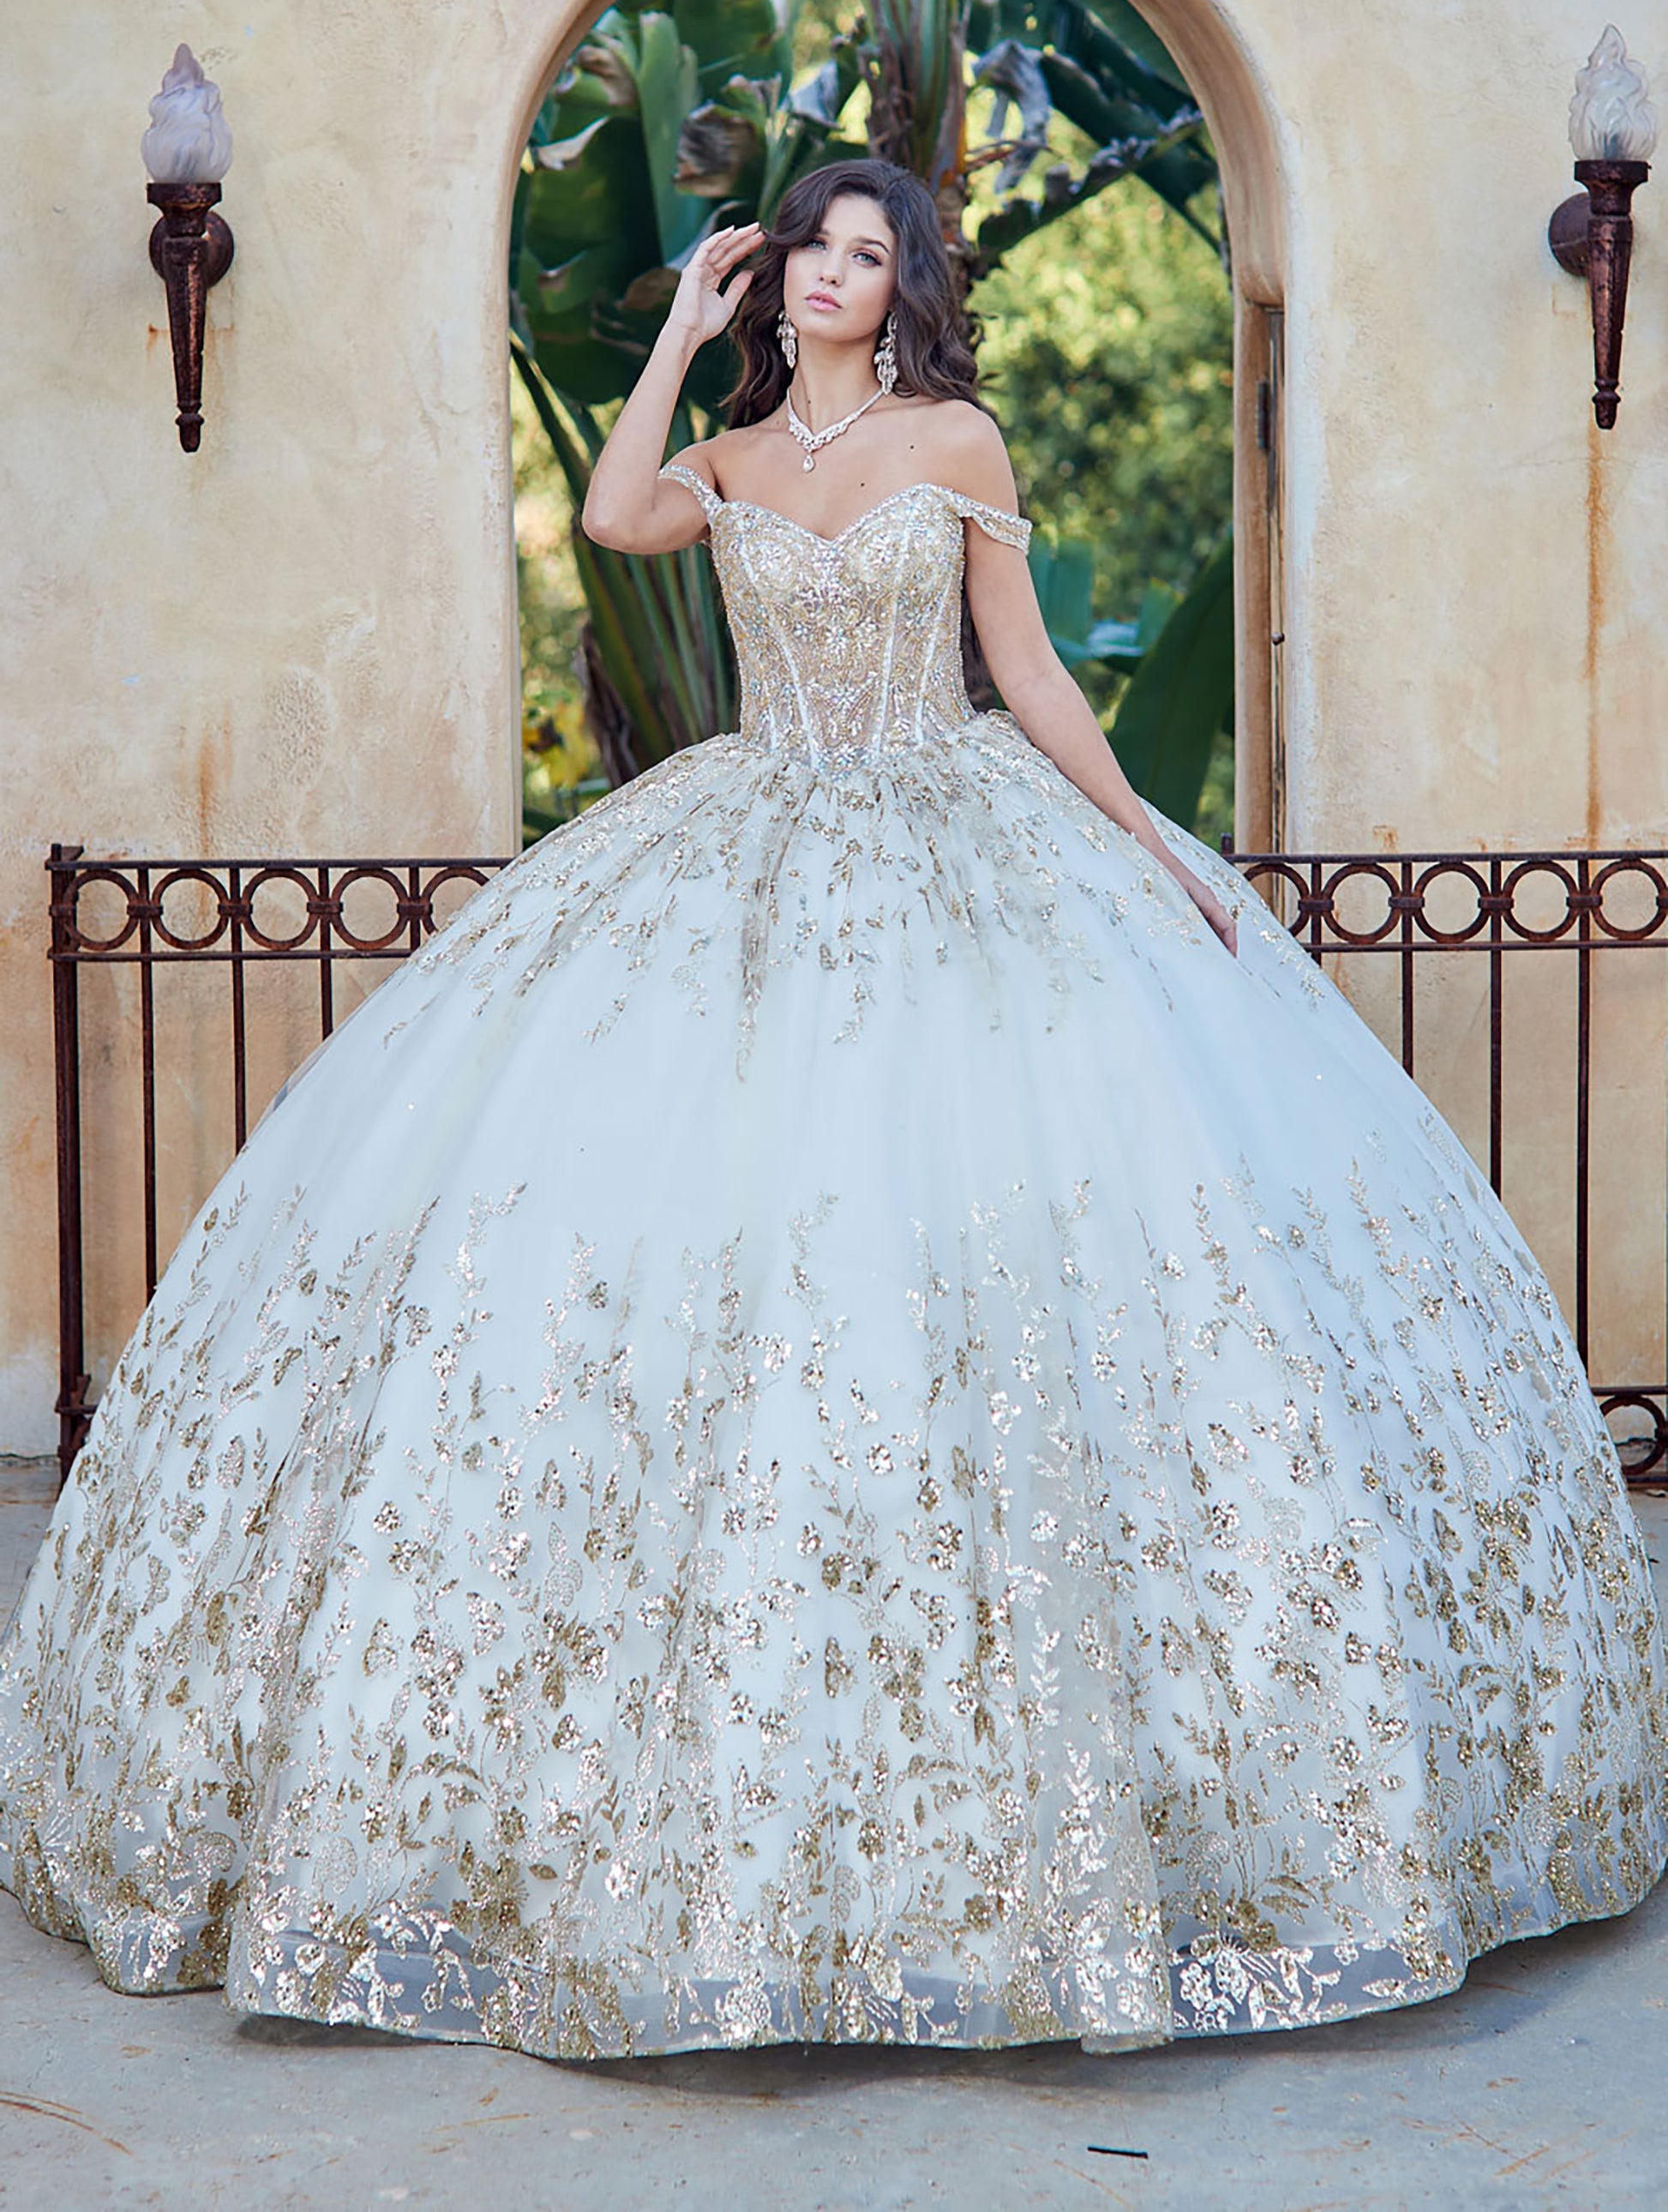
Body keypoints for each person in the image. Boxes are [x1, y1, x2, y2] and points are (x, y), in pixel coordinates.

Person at [1, 159, 1663, 2065]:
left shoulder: (957, 433)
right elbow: (618, 514)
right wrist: (683, 339)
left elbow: (1023, 670)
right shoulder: (718, 453)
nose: (832, 277)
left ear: (905, 288)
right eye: (812, 247)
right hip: (738, 841)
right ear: (775, 266)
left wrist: (1151, 852)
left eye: (868, 257)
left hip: (956, 838)